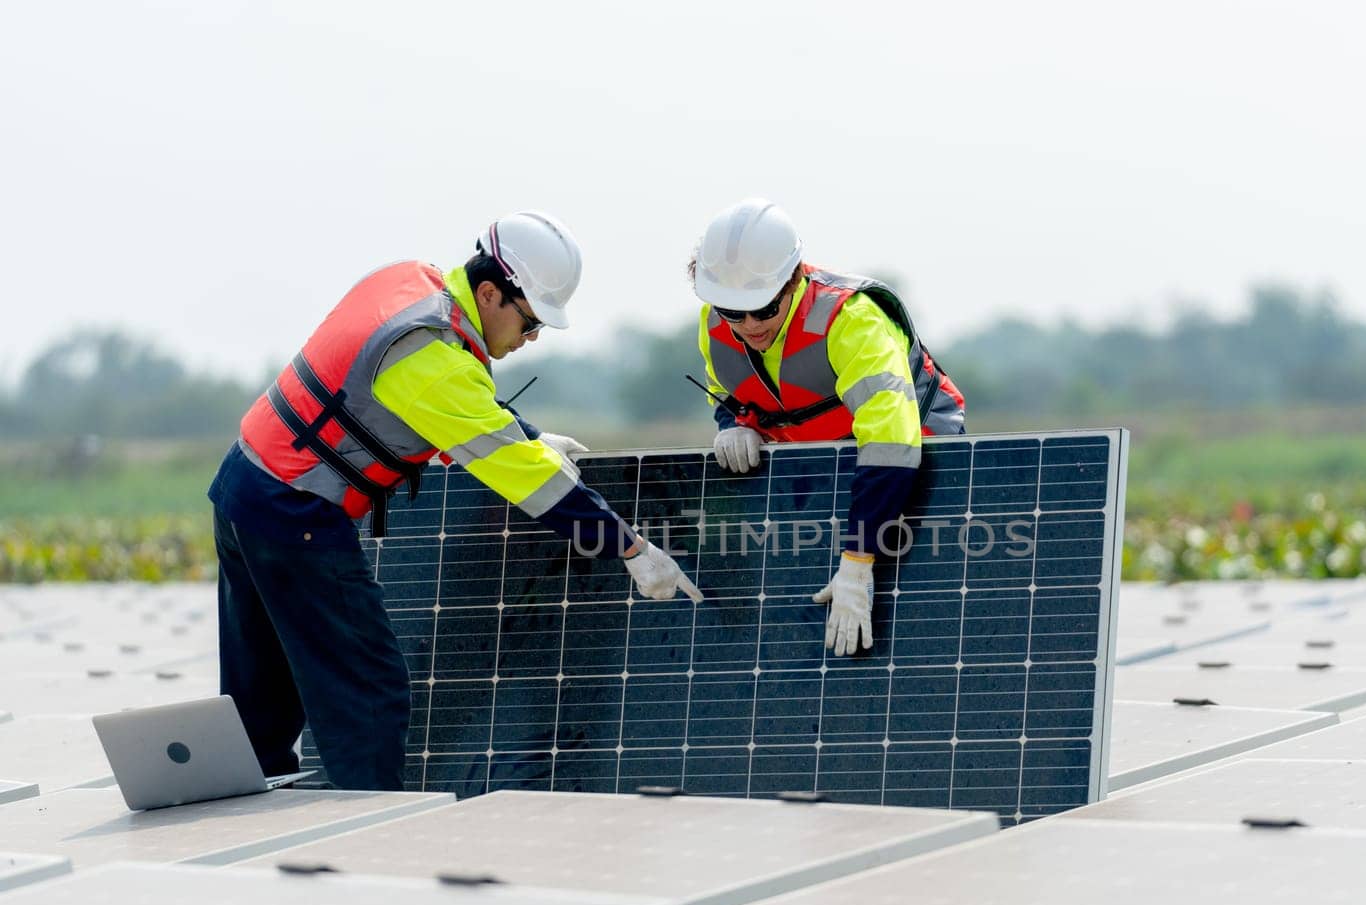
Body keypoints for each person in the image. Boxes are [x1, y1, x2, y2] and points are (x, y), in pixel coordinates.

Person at [210, 210, 697, 791]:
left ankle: (238, 815)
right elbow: (527, 479)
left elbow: (446, 405)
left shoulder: (410, 284)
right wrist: (631, 548)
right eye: (531, 321)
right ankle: (363, 833)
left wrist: (532, 437)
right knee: (367, 686)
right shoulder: (427, 352)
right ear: (490, 293)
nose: (531, 339)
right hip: (297, 511)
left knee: (264, 681)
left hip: (243, 486)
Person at [688, 198, 965, 657]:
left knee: (898, 590)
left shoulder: (852, 319)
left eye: (763, 309)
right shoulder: (716, 323)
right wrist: (736, 424)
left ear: (793, 280)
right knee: (808, 593)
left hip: (908, 456)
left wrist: (858, 564)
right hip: (818, 458)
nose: (749, 325)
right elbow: (729, 392)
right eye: (734, 313)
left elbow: (890, 445)